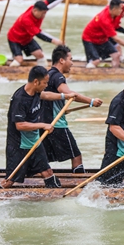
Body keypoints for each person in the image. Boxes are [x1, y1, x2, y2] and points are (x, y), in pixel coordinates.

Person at [0, 66, 77, 189]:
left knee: (48, 173)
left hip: (35, 142)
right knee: (10, 180)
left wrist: (64, 96)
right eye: (45, 83)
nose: (46, 85)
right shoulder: (20, 99)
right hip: (20, 145)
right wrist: (43, 125)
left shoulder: (36, 92)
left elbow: (46, 95)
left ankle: (55, 200)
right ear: (36, 82)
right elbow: (20, 125)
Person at [42, 45, 103, 173]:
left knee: (43, 158)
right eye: (71, 59)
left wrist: (63, 109)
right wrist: (91, 101)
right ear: (62, 60)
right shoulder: (58, 76)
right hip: (56, 124)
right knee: (76, 156)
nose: (72, 63)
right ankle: (78, 183)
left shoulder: (47, 75)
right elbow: (70, 94)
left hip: (43, 123)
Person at [7, 0, 69, 67]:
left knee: (40, 56)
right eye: (43, 13)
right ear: (35, 11)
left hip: (27, 39)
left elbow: (52, 0)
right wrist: (55, 41)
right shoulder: (26, 20)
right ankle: (12, 69)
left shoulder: (40, 7)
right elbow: (40, 34)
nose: (44, 16)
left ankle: (41, 74)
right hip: (14, 39)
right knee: (19, 60)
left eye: (45, 13)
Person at [82, 0, 124, 68]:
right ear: (114, 10)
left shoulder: (112, 9)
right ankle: (88, 71)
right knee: (96, 61)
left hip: (102, 39)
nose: (122, 11)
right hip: (89, 39)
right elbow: (116, 38)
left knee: (116, 55)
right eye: (120, 9)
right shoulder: (105, 20)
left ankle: (114, 71)